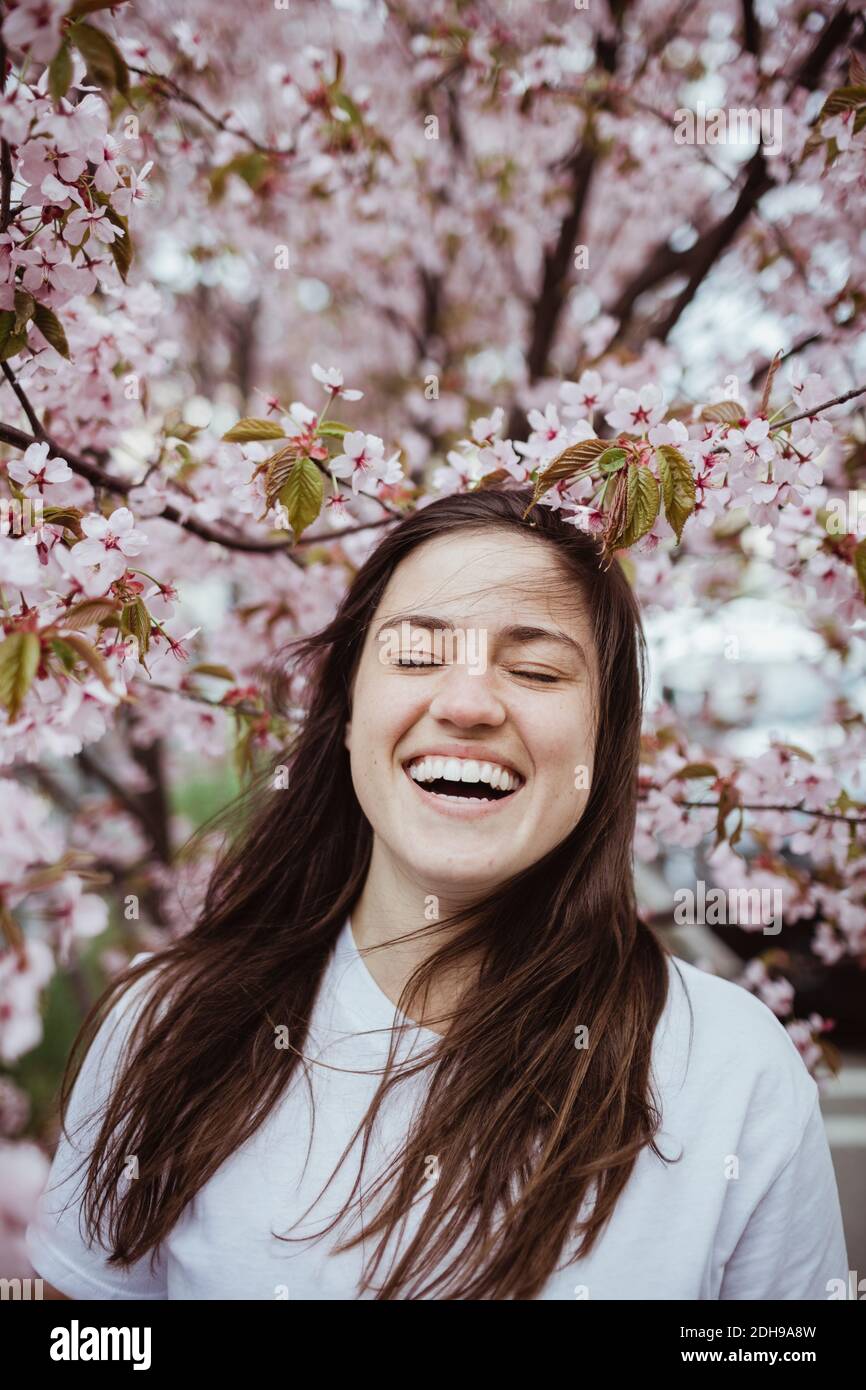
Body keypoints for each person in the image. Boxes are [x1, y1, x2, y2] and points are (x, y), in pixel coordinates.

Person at [26, 486, 849, 1300]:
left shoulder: (734, 1071)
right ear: (347, 713)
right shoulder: (169, 1028)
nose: (466, 704)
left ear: (605, 744)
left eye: (535, 668)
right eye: (415, 657)